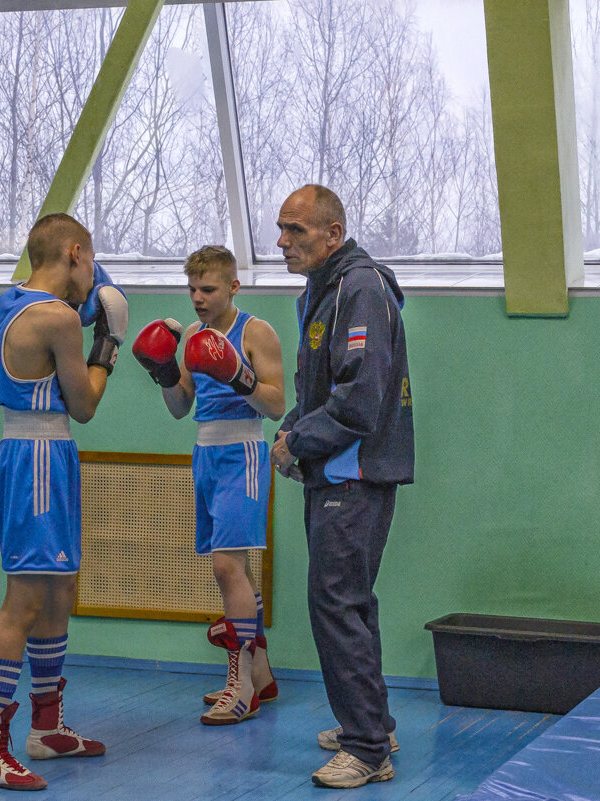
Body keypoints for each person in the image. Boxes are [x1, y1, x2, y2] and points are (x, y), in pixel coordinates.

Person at [0, 212, 128, 791]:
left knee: (58, 588)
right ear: (76, 251)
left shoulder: (12, 302)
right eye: (89, 259)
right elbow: (84, 405)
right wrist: (108, 346)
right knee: (25, 599)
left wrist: (92, 292)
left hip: (39, 452)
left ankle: (46, 727)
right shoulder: (58, 318)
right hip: (38, 456)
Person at [269, 185, 414, 789]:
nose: (282, 242)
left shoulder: (359, 287)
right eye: (280, 229)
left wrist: (297, 444)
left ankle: (366, 750)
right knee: (349, 599)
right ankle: (372, 723)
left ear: (332, 234)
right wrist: (290, 429)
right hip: (332, 472)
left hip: (352, 475)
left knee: (336, 602)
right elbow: (318, 388)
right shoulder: (324, 288)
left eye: (296, 230)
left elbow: (358, 401)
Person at [132, 245, 285, 726]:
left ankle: (241, 690)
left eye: (209, 289)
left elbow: (277, 405)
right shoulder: (195, 336)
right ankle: (260, 675)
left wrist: (238, 374)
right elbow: (181, 408)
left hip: (243, 453)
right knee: (232, 569)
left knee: (226, 567)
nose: (197, 298)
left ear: (234, 287)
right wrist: (162, 371)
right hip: (205, 452)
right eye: (192, 288)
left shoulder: (256, 332)